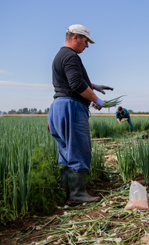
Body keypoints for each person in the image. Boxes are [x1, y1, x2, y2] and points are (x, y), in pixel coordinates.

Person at [48, 24, 113, 203]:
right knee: (78, 149)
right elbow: (76, 84)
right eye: (85, 41)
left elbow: (67, 82)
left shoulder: (60, 56)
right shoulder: (71, 56)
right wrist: (96, 99)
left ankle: (66, 194)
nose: (87, 45)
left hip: (58, 106)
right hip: (72, 107)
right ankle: (77, 194)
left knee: (65, 152)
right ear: (75, 37)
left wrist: (93, 85)